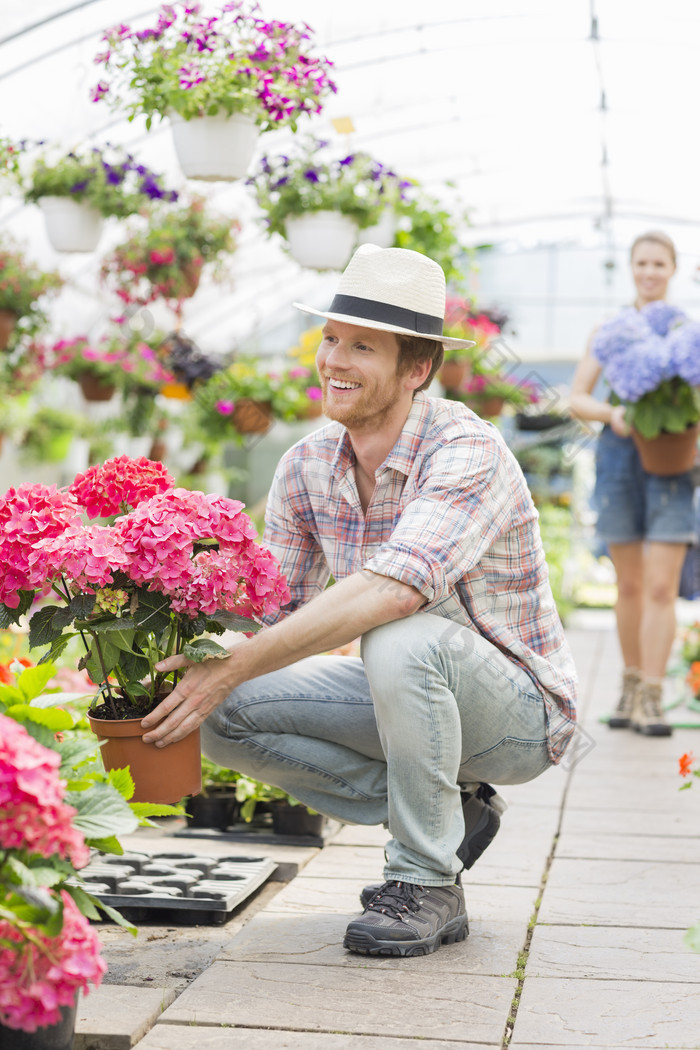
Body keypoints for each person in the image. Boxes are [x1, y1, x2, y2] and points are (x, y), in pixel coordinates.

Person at [142, 244, 578, 958]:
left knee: (399, 632)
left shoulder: (466, 448)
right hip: (403, 695)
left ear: (417, 369)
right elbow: (270, 612)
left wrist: (239, 659)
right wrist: (166, 637)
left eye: (363, 347)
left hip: (518, 714)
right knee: (210, 706)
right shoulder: (307, 464)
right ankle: (448, 818)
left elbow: (393, 590)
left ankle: (426, 880)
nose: (334, 360)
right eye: (332, 338)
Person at [569, 230, 693, 737]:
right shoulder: (611, 328)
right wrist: (613, 412)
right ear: (631, 268)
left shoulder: (689, 333)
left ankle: (653, 697)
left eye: (658, 264)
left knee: (663, 586)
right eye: (641, 262)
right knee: (632, 585)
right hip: (619, 457)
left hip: (675, 465)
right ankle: (629, 683)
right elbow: (578, 397)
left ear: (672, 269)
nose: (649, 271)